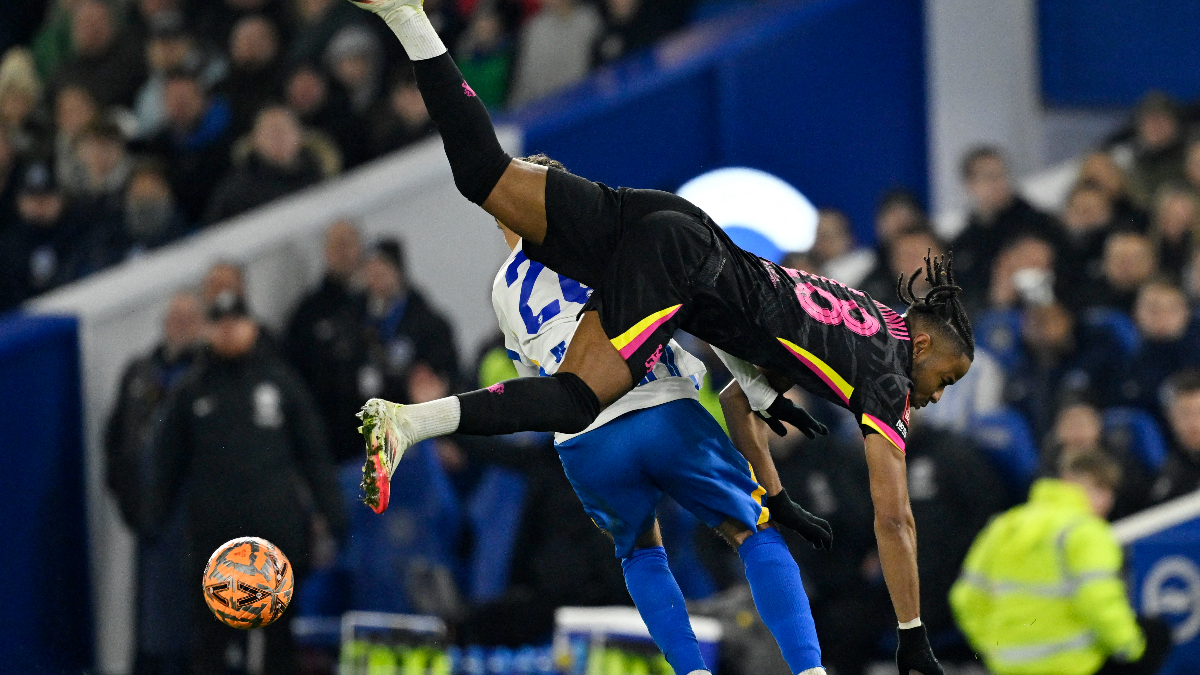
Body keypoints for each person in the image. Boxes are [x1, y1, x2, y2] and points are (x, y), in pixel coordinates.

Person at [346, 3, 975, 672]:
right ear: (924, 347)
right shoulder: (886, 379)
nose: (937, 395)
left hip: (666, 233)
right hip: (679, 300)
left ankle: (408, 17)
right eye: (947, 378)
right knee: (589, 405)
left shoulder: (862, 310)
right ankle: (810, 670)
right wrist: (912, 634)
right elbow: (895, 520)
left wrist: (777, 487)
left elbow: (740, 387)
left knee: (484, 176)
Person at [482, 153, 833, 675]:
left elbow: (537, 380)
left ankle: (691, 671)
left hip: (586, 440)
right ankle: (808, 669)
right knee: (754, 530)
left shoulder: (502, 290)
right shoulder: (613, 240)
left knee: (641, 555)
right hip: (659, 404)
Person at [143, 290, 348, 675]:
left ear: (252, 326)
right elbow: (168, 462)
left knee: (279, 645)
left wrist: (333, 513)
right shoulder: (192, 390)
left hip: (274, 537)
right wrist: (152, 517)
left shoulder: (280, 382)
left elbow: (313, 453)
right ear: (208, 331)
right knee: (211, 646)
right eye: (219, 324)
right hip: (214, 541)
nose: (228, 331)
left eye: (235, 322)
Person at [951, 451, 1172, 675]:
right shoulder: (1085, 531)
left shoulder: (1004, 525)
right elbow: (1099, 601)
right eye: (1100, 489)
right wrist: (1131, 647)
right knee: (1155, 634)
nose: (1107, 501)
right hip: (1073, 664)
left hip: (1007, 665)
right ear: (1070, 483)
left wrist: (991, 647)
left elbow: (965, 597)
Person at [105, 290, 206, 675]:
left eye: (189, 319)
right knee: (151, 628)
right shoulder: (139, 373)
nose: (180, 326)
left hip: (194, 525)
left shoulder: (208, 375)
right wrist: (132, 506)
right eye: (174, 318)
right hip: (150, 526)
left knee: (190, 632)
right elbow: (116, 444)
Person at [285, 219, 370, 463]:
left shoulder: (379, 301)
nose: (343, 252)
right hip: (337, 446)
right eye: (336, 246)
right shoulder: (307, 315)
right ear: (325, 253)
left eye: (348, 244)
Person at [951, 146, 1061, 306]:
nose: (998, 183)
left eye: (1001, 174)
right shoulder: (962, 244)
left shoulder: (1040, 225)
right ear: (970, 184)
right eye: (988, 176)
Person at [202, 105, 324, 223]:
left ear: (300, 136)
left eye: (285, 130)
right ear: (254, 140)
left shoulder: (320, 174)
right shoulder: (235, 193)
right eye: (270, 133)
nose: (278, 138)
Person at [1150, 370, 1200, 504]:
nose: (1194, 423)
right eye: (1185, 414)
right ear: (1170, 417)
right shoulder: (1169, 476)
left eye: (1198, 412)